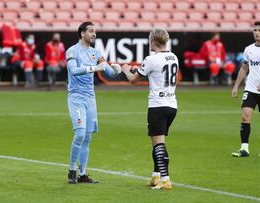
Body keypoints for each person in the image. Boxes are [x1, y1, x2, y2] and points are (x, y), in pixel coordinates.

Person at [121, 28, 178, 190]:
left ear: (153, 41)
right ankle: (156, 176)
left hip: (157, 106)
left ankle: (165, 179)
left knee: (158, 144)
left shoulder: (151, 59)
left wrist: (126, 69)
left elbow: (133, 80)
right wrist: (136, 69)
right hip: (172, 104)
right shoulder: (173, 57)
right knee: (157, 142)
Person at [66, 21, 121, 184]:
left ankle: (82, 174)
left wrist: (116, 70)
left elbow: (109, 72)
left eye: (95, 32)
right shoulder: (72, 51)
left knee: (87, 138)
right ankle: (71, 170)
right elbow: (73, 71)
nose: (94, 34)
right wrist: (94, 68)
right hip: (76, 97)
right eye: (91, 31)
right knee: (80, 134)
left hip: (90, 98)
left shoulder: (96, 53)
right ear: (82, 33)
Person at [231, 21, 260, 157]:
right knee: (245, 116)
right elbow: (244, 67)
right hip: (250, 88)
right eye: (255, 30)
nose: (257, 33)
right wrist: (236, 86)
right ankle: (244, 149)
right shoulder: (249, 49)